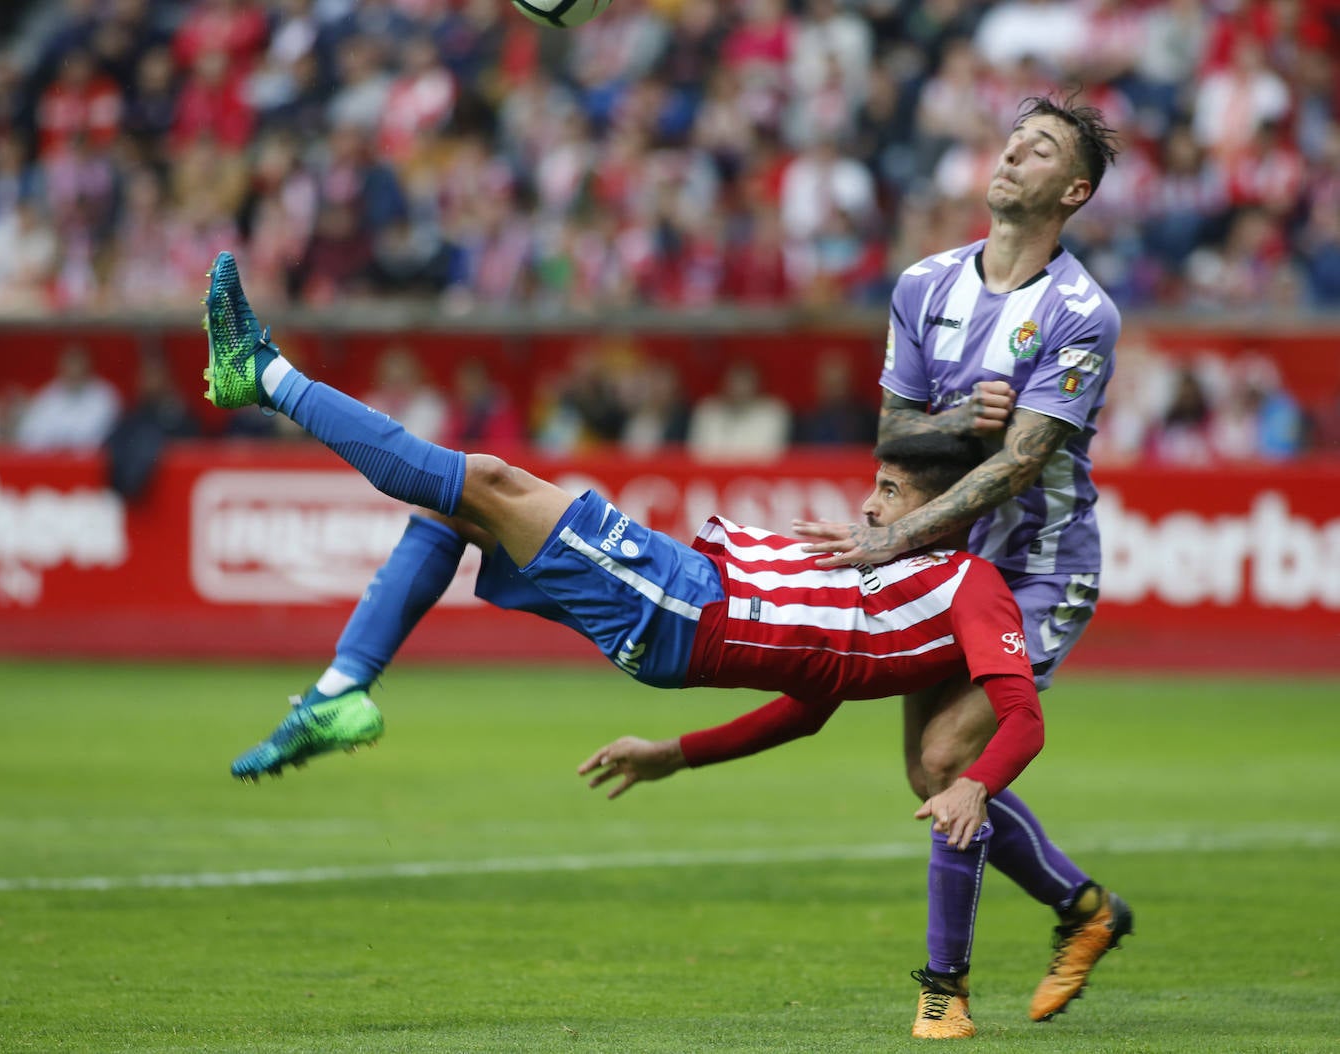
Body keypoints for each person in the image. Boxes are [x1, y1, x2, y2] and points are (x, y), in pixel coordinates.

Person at [203, 249, 1042, 1039]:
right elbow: (806, 709)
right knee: (456, 505)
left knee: (483, 480)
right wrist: (674, 755)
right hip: (682, 590)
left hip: (682, 609)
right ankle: (338, 692)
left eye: (889, 493)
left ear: (946, 511)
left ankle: (266, 374)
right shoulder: (884, 588)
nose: (868, 508)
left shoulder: (968, 586)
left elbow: (1021, 715)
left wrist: (974, 784)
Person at [791, 94, 1133, 1024]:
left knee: (951, 757)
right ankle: (1086, 910)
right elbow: (894, 429)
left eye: (1042, 147)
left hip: (1039, 562)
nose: (1013, 151)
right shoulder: (922, 285)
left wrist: (889, 538)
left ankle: (943, 996)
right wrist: (948, 431)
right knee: (932, 778)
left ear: (1073, 191)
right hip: (942, 557)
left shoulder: (1080, 313)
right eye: (1013, 138)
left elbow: (1026, 460)